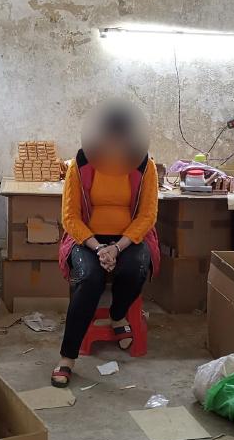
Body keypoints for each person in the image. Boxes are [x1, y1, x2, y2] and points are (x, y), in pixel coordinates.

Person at [51, 100, 160, 388]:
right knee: (89, 278)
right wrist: (99, 248)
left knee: (135, 268)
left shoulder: (144, 166)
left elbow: (148, 216)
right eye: (109, 137)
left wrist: (117, 247)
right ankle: (67, 357)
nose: (114, 144)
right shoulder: (80, 166)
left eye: (120, 138)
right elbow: (70, 217)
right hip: (87, 238)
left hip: (128, 238)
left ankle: (117, 314)